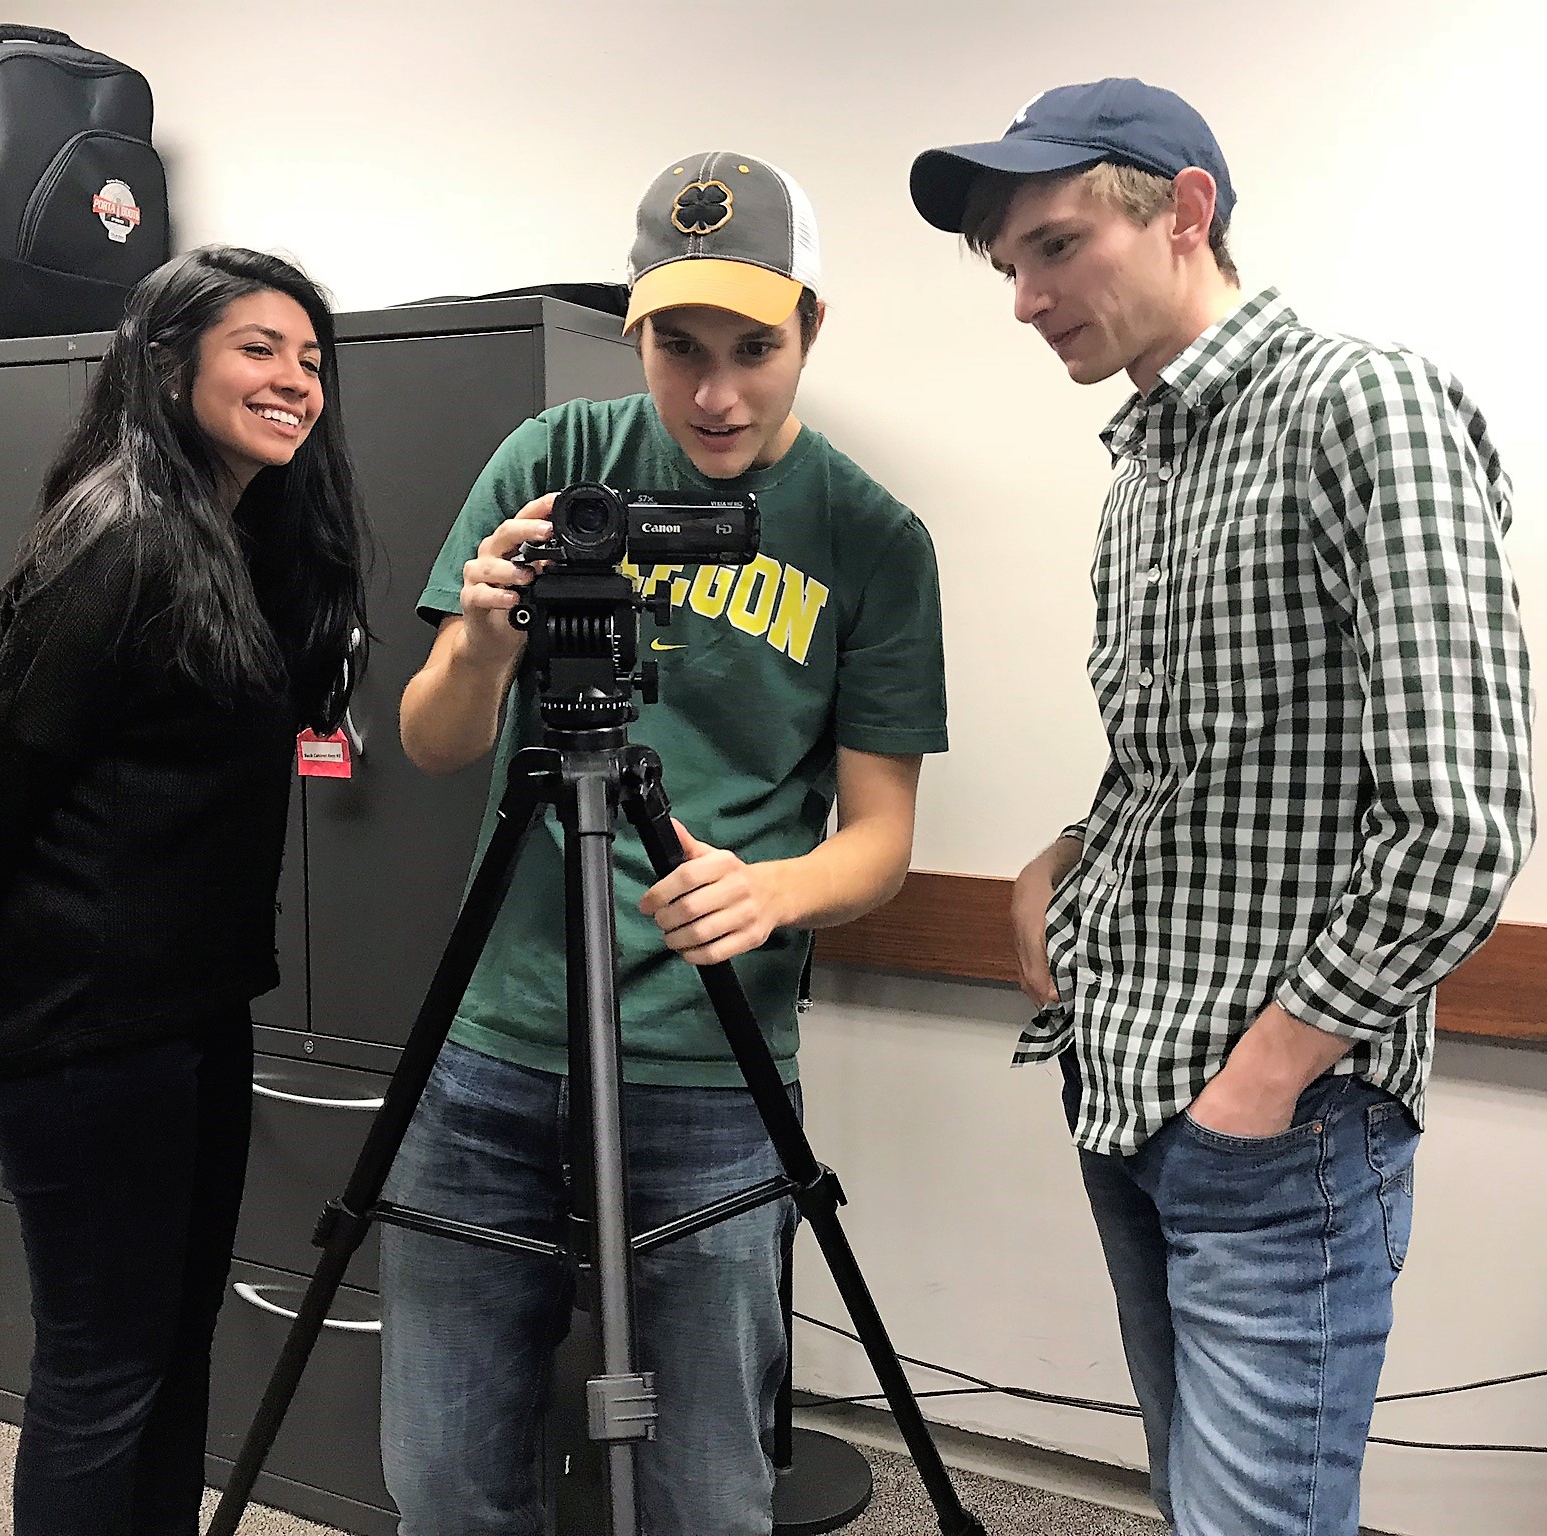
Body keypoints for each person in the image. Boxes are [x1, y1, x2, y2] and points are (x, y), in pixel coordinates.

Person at [910, 78, 1534, 1536]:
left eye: (1056, 247)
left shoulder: (1361, 404)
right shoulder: (1145, 470)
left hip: (1279, 1116)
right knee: (1198, 1504)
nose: (1025, 300)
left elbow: (1461, 824)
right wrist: (1056, 865)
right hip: (1124, 1077)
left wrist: (1263, 1082)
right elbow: (1201, 759)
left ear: (1186, 209)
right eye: (1011, 267)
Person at [387, 151, 947, 1534]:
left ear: (811, 328)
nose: (715, 394)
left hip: (711, 1060)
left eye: (755, 349)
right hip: (496, 1041)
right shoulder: (554, 467)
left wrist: (771, 891)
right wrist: (482, 635)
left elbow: (880, 841)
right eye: (677, 348)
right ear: (634, 332)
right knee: (445, 1477)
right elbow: (436, 740)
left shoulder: (874, 542)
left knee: (707, 1487)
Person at [0, 245, 370, 1536]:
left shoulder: (227, 535)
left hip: (184, 1010)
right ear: (170, 367)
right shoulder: (123, 537)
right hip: (84, 1030)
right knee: (104, 1370)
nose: (294, 380)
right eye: (259, 350)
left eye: (310, 359)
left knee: (170, 1354)